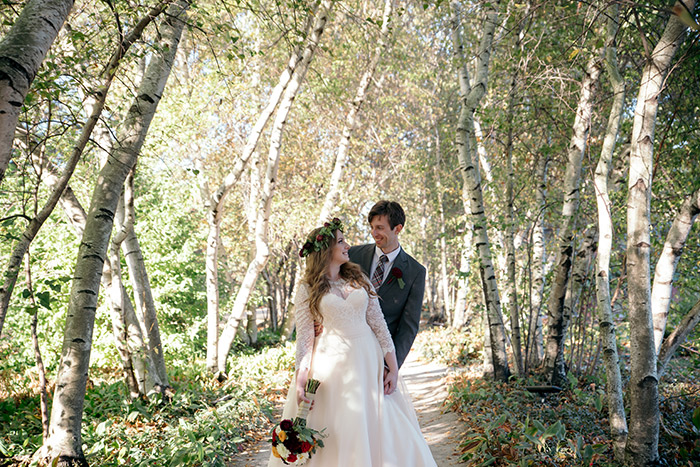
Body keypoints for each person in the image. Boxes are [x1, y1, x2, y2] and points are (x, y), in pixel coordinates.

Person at [268, 218, 436, 466]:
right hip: (330, 365)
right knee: (339, 426)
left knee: (376, 423)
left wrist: (393, 368)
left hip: (367, 361)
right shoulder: (307, 288)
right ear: (326, 250)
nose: (347, 245)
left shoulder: (359, 278)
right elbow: (304, 337)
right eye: (341, 241)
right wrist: (301, 379)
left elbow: (379, 325)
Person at [348, 200, 426, 369]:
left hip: (379, 357)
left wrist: (391, 367)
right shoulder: (352, 255)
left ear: (397, 229)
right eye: (372, 227)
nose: (373, 233)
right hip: (345, 350)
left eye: (380, 228)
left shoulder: (415, 272)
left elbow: (408, 327)